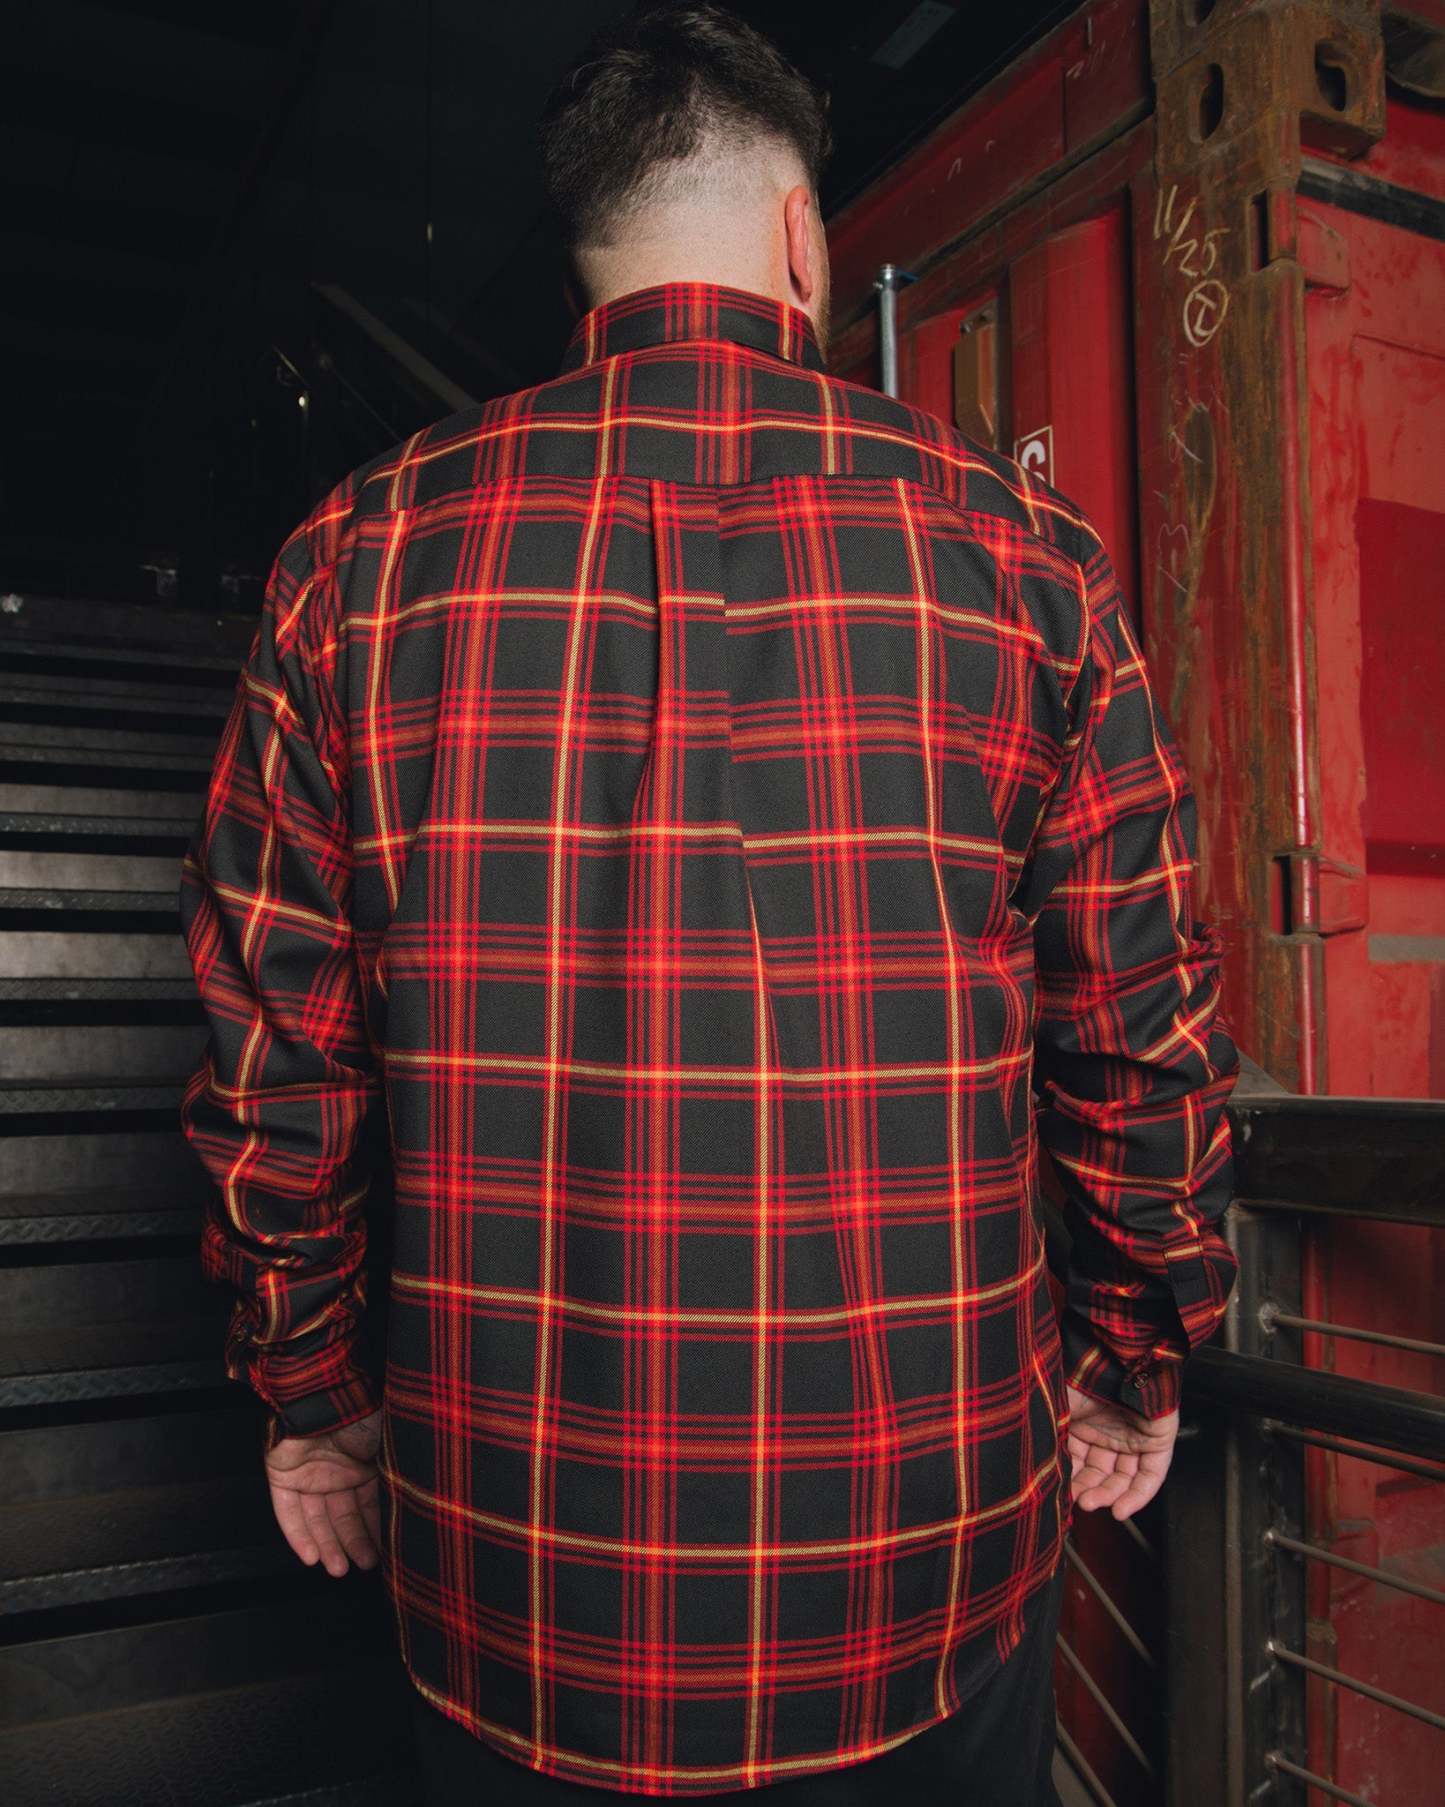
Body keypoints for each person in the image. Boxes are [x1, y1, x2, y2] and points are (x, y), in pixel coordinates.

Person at [177, 5, 1239, 1802]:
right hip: (922, 1554)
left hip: (516, 1572)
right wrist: (1137, 1350)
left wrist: (312, 1392)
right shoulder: (1022, 558)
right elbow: (1140, 1023)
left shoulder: (355, 558)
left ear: (581, 266)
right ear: (803, 238)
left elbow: (275, 1055)